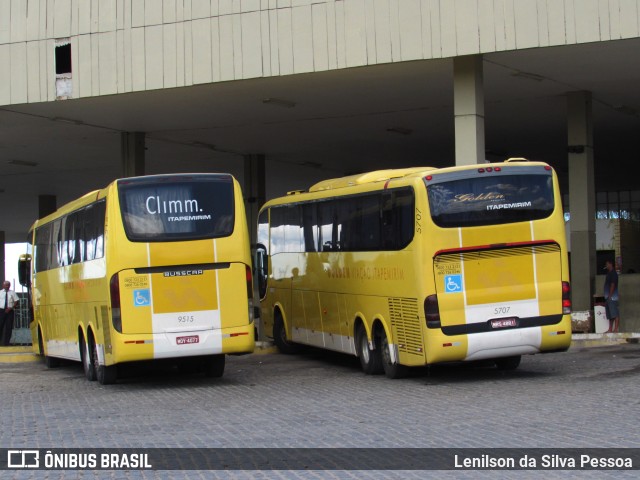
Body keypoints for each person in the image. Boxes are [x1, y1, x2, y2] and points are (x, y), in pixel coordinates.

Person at [0, 280, 20, 346]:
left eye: (8, 285)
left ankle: (6, 343)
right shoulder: (0, 292)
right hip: (1, 311)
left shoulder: (12, 293)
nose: (7, 286)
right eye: (6, 285)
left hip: (10, 311)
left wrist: (11, 308)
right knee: (0, 326)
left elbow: (16, 300)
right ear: (3, 286)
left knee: (9, 327)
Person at [603, 260, 619, 333]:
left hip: (612, 297)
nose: (606, 265)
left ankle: (615, 329)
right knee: (610, 314)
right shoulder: (608, 273)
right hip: (607, 297)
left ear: (610, 264)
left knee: (615, 313)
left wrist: (610, 295)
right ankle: (610, 329)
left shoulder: (613, 274)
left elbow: (613, 285)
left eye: (607, 264)